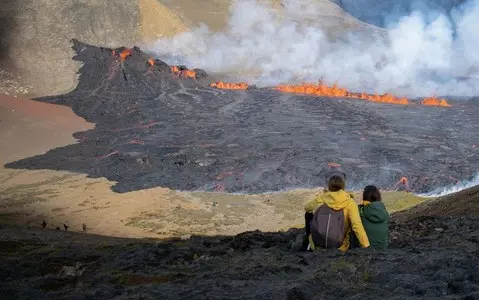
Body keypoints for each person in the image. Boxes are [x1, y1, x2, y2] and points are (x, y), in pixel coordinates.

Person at [303, 175, 370, 251]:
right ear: (343, 186)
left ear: (329, 186)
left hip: (319, 242)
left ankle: (308, 238)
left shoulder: (322, 198)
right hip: (340, 245)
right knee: (352, 222)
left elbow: (307, 208)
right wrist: (366, 245)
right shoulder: (350, 202)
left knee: (308, 213)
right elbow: (357, 225)